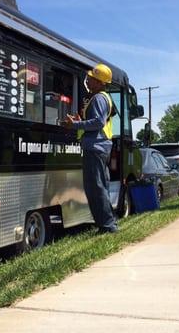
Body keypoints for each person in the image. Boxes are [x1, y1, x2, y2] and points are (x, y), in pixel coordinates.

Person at [62, 63, 118, 233]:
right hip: (99, 147)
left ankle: (107, 226)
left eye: (92, 78)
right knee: (100, 186)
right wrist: (81, 119)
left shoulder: (99, 98)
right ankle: (108, 224)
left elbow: (98, 122)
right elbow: (97, 121)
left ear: (101, 83)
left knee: (96, 188)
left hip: (95, 148)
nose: (88, 80)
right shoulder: (102, 97)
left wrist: (75, 124)